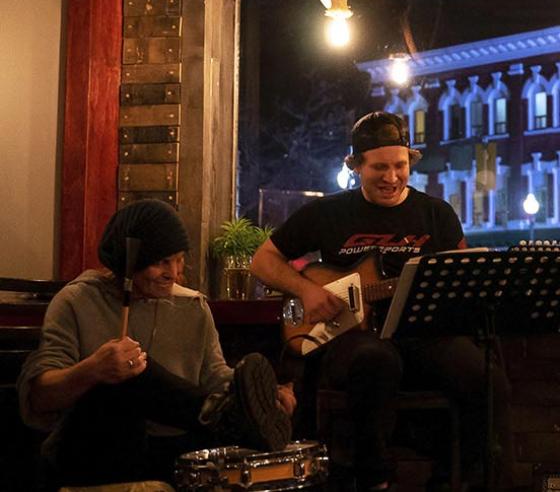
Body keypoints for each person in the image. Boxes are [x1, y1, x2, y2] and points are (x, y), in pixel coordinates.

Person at [250, 112, 514, 491]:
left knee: (485, 377)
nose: (391, 177)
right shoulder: (329, 212)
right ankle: (374, 479)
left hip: (424, 337)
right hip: (352, 340)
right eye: (379, 167)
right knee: (375, 360)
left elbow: (461, 274)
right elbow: (262, 261)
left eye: (399, 165)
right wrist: (307, 289)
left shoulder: (436, 214)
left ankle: (459, 481)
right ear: (356, 166)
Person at [18, 199, 295, 491]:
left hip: (173, 449)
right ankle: (218, 413)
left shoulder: (193, 308)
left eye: (178, 260)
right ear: (130, 258)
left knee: (226, 431)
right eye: (162, 261)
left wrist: (262, 396)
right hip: (93, 449)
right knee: (125, 377)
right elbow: (39, 398)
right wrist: (92, 370)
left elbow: (215, 376)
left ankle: (227, 412)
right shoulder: (76, 301)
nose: (174, 273)